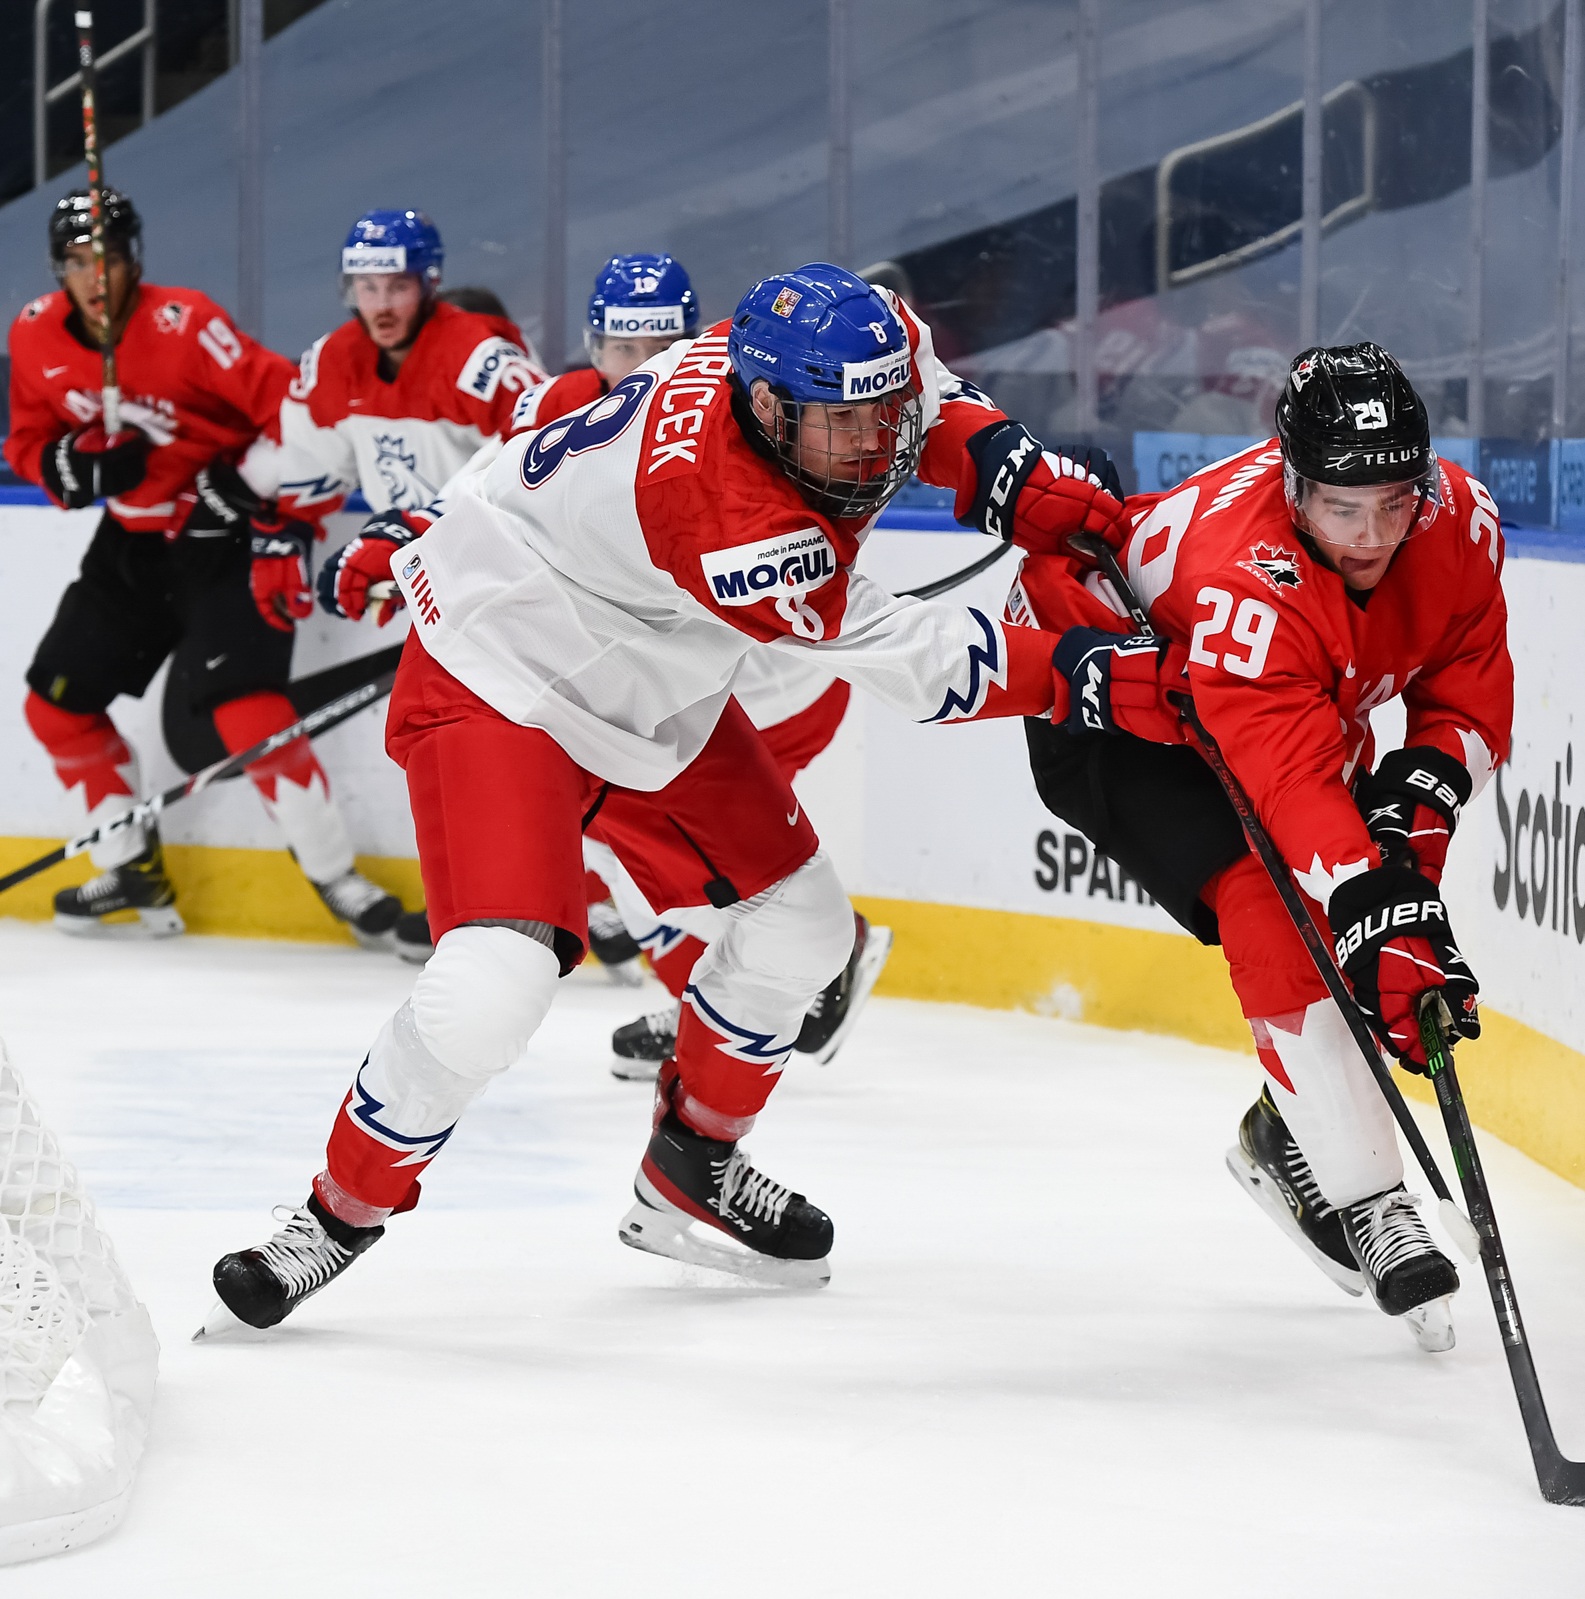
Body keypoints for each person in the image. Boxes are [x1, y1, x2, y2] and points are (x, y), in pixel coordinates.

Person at [203, 261, 1125, 1331]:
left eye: (883, 416)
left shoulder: (799, 349)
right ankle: (334, 1213)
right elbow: (924, 662)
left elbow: (918, 379)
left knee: (808, 930)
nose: (873, 446)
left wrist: (1006, 460)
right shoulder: (733, 521)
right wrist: (1089, 672)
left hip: (648, 677)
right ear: (769, 406)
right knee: (494, 981)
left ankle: (691, 1170)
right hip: (503, 678)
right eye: (842, 425)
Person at [1019, 343, 1511, 1350]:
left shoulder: (1457, 522)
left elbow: (1461, 691)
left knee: (1366, 911)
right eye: (1341, 507)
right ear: (1292, 488)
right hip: (1115, 715)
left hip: (1273, 696)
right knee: (1274, 899)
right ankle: (1367, 1203)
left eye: (1393, 502)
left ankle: (1286, 1139)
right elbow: (1286, 788)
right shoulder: (1241, 583)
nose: (1372, 534)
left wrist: (1409, 852)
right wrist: (1380, 908)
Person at [503, 254, 888, 1072]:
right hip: (695, 685)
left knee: (627, 827)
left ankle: (782, 978)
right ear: (588, 345)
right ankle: (723, 1000)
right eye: (619, 347)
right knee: (608, 832)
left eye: (662, 343)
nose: (640, 366)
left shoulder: (740, 421)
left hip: (770, 687)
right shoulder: (557, 410)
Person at [4, 186, 405, 945]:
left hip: (223, 540)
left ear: (135, 261)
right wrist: (71, 466)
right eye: (80, 263)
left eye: (111, 260)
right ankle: (133, 870)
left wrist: (261, 502)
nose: (97, 279)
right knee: (53, 707)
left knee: (246, 709)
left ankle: (336, 878)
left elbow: (299, 413)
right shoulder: (33, 338)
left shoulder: (188, 327)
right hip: (131, 543)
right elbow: (28, 441)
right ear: (60, 270)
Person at [278, 208, 547, 960]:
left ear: (427, 282)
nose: (382, 302)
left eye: (396, 282)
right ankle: (480, 907)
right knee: (449, 751)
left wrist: (423, 526)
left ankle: (591, 901)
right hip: (436, 590)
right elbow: (305, 458)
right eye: (366, 285)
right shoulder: (336, 361)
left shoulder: (478, 356)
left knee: (537, 742)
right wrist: (283, 527)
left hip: (515, 578)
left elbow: (544, 446)